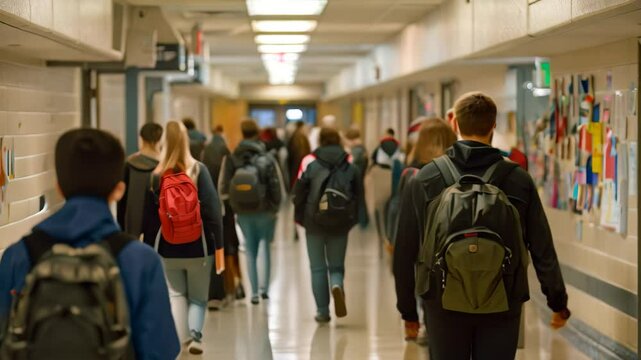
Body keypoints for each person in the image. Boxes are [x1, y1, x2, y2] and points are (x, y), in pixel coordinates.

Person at [393, 92, 570, 360]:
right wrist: (557, 301)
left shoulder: (426, 179)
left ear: (455, 125)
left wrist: (408, 312)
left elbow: (405, 250)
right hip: (503, 296)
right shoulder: (518, 180)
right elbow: (542, 246)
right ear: (493, 126)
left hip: (441, 299)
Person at [0, 128, 180, 359]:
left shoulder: (18, 256)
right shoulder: (141, 260)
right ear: (118, 190)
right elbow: (160, 351)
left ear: (59, 187)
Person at [142, 121, 223, 355]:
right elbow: (213, 212)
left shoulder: (156, 175)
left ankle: (179, 340)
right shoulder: (198, 170)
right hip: (199, 246)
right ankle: (196, 338)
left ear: (163, 141)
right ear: (187, 140)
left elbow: (150, 218)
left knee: (176, 295)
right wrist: (218, 245)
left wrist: (149, 249)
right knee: (198, 297)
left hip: (167, 247)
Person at [388, 118, 456, 341]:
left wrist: (407, 312)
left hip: (424, 255)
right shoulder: (462, 174)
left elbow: (404, 243)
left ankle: (428, 324)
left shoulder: (413, 175)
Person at [293, 128, 364, 323]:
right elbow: (358, 194)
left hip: (313, 220)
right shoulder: (350, 162)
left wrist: (300, 219)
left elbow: (297, 194)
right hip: (341, 220)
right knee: (336, 266)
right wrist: (354, 219)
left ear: (320, 141)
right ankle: (337, 284)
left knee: (317, 268)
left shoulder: (309, 162)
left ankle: (322, 311)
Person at [219, 119, 283, 305]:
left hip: (243, 212)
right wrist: (276, 207)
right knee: (265, 248)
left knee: (249, 250)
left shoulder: (232, 157)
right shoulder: (267, 157)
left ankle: (253, 292)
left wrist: (233, 206)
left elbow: (223, 187)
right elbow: (275, 185)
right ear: (257, 133)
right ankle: (265, 290)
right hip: (265, 211)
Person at [202, 125, 246, 308]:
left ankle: (216, 291)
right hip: (225, 207)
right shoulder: (227, 152)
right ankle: (233, 285)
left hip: (208, 206)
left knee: (214, 247)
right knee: (229, 246)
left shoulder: (205, 151)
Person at [117, 122, 163, 238]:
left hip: (133, 228)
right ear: (160, 139)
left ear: (141, 138)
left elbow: (122, 200)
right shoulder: (164, 166)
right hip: (159, 229)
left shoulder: (130, 164)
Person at [345, 128, 369, 228]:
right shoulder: (362, 149)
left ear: (352, 139)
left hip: (356, 179)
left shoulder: (357, 151)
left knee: (358, 200)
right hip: (360, 177)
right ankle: (363, 220)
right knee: (361, 199)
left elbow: (351, 165)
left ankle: (362, 221)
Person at [287, 121, 311, 191]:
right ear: (302, 127)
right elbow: (301, 153)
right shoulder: (300, 137)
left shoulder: (297, 135)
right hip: (298, 164)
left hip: (296, 163)